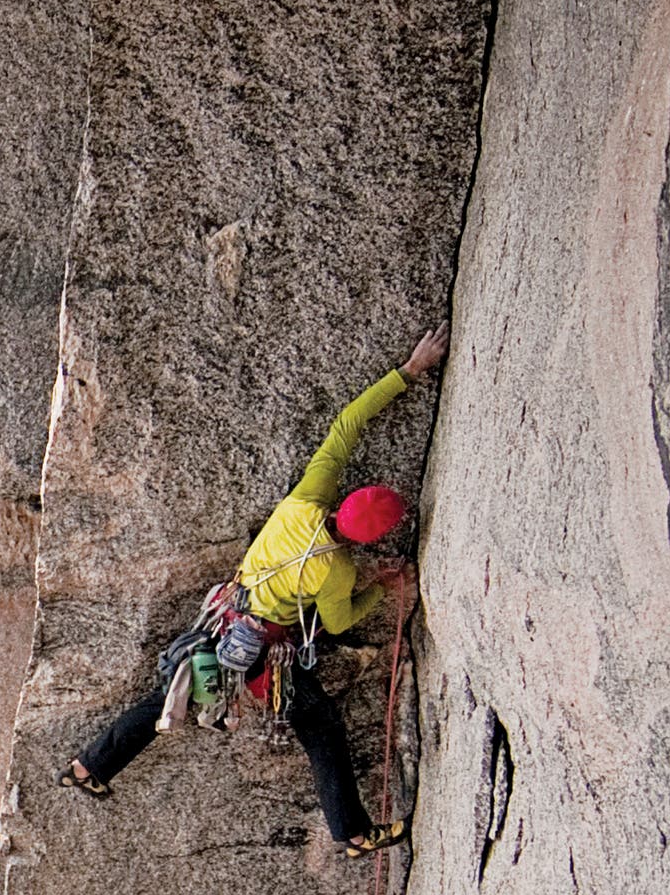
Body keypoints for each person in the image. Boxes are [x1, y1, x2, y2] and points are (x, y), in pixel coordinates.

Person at [65, 327, 448, 857]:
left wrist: (407, 372)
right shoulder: (336, 572)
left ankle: (90, 765)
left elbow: (346, 425)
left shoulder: (306, 500)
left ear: (347, 500)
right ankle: (355, 834)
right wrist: (381, 587)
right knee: (320, 728)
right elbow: (336, 624)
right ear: (371, 539)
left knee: (171, 695)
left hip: (224, 615)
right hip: (263, 655)